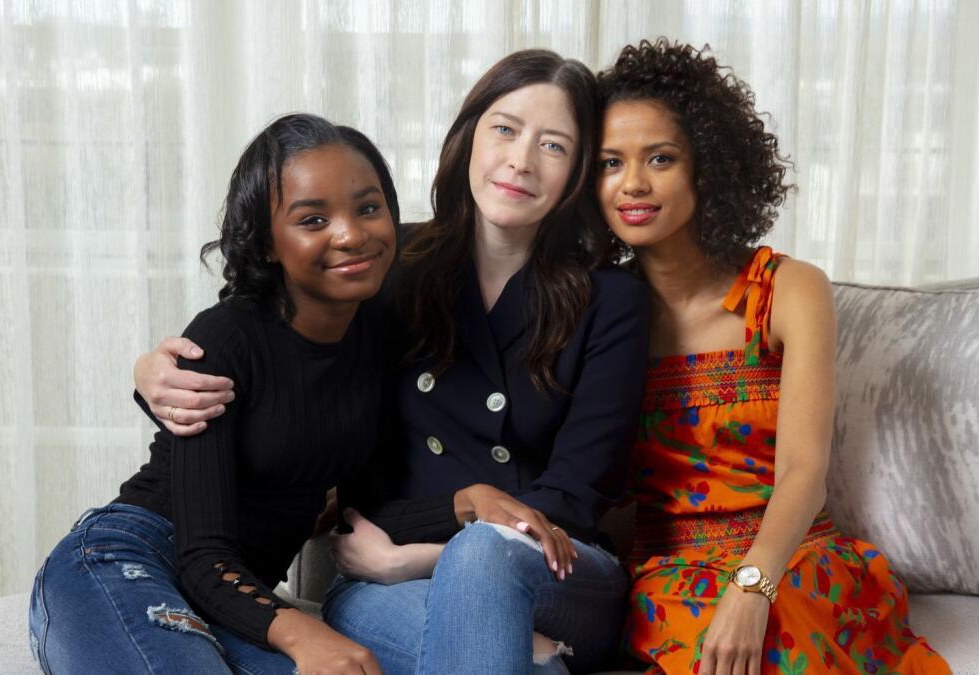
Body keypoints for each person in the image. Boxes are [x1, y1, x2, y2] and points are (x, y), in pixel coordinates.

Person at [132, 49, 650, 674]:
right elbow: (276, 345)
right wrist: (153, 372)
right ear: (469, 140)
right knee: (520, 660)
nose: (520, 159)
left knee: (485, 559)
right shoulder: (388, 261)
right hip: (382, 578)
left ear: (576, 173)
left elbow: (572, 497)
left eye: (555, 145)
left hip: (553, 571)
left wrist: (421, 559)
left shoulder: (612, 300)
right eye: (505, 130)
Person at [596, 40, 950, 675]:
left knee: (778, 639)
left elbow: (803, 471)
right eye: (609, 163)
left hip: (793, 557)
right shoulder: (596, 311)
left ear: (709, 166)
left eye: (661, 158)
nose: (633, 184)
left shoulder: (788, 289)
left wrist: (753, 588)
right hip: (672, 574)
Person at [28, 113, 400, 675]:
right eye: (313, 218)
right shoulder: (227, 338)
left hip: (237, 601)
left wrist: (467, 504)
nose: (350, 233)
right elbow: (202, 557)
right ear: (267, 242)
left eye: (369, 208)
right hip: (130, 558)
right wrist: (301, 630)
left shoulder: (383, 323)